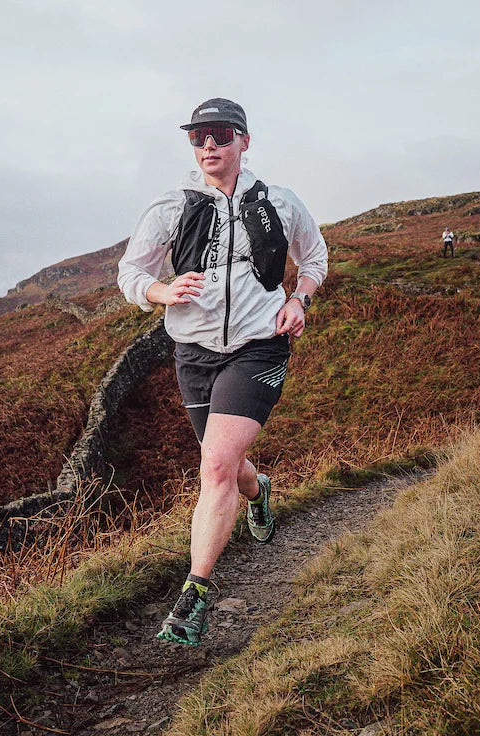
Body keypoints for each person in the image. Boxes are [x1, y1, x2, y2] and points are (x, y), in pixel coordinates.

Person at [117, 98, 328, 646]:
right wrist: (161, 291)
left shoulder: (280, 202)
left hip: (259, 348)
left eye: (220, 134)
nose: (208, 145)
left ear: (244, 141)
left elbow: (315, 258)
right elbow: (130, 273)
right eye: (198, 136)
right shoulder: (171, 206)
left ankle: (194, 597)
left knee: (213, 466)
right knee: (228, 466)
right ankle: (258, 491)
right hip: (194, 354)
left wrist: (299, 299)